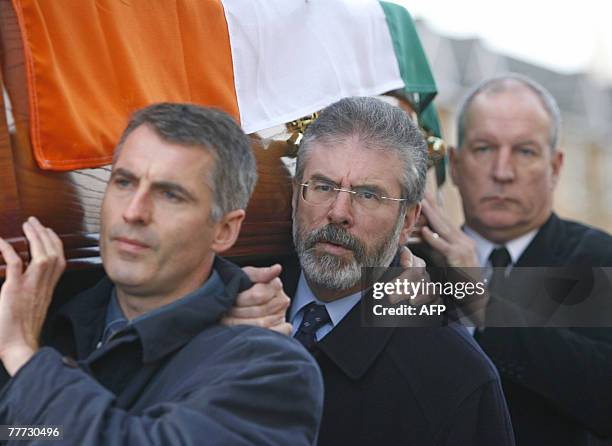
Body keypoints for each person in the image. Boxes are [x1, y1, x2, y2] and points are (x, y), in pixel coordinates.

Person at [0, 103, 323, 445]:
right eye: (124, 182)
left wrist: (24, 358)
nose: (134, 211)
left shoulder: (273, 373)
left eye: (170, 194)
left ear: (224, 230)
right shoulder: (50, 321)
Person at [226, 96, 515, 445]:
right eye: (323, 186)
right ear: (294, 196)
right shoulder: (220, 302)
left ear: (407, 220)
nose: (338, 212)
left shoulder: (457, 378)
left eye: (367, 195)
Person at [419, 74, 612, 445]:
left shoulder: (598, 259)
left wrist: (481, 302)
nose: (502, 172)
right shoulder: (414, 266)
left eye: (524, 151)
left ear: (555, 168)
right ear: (455, 165)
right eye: (483, 149)